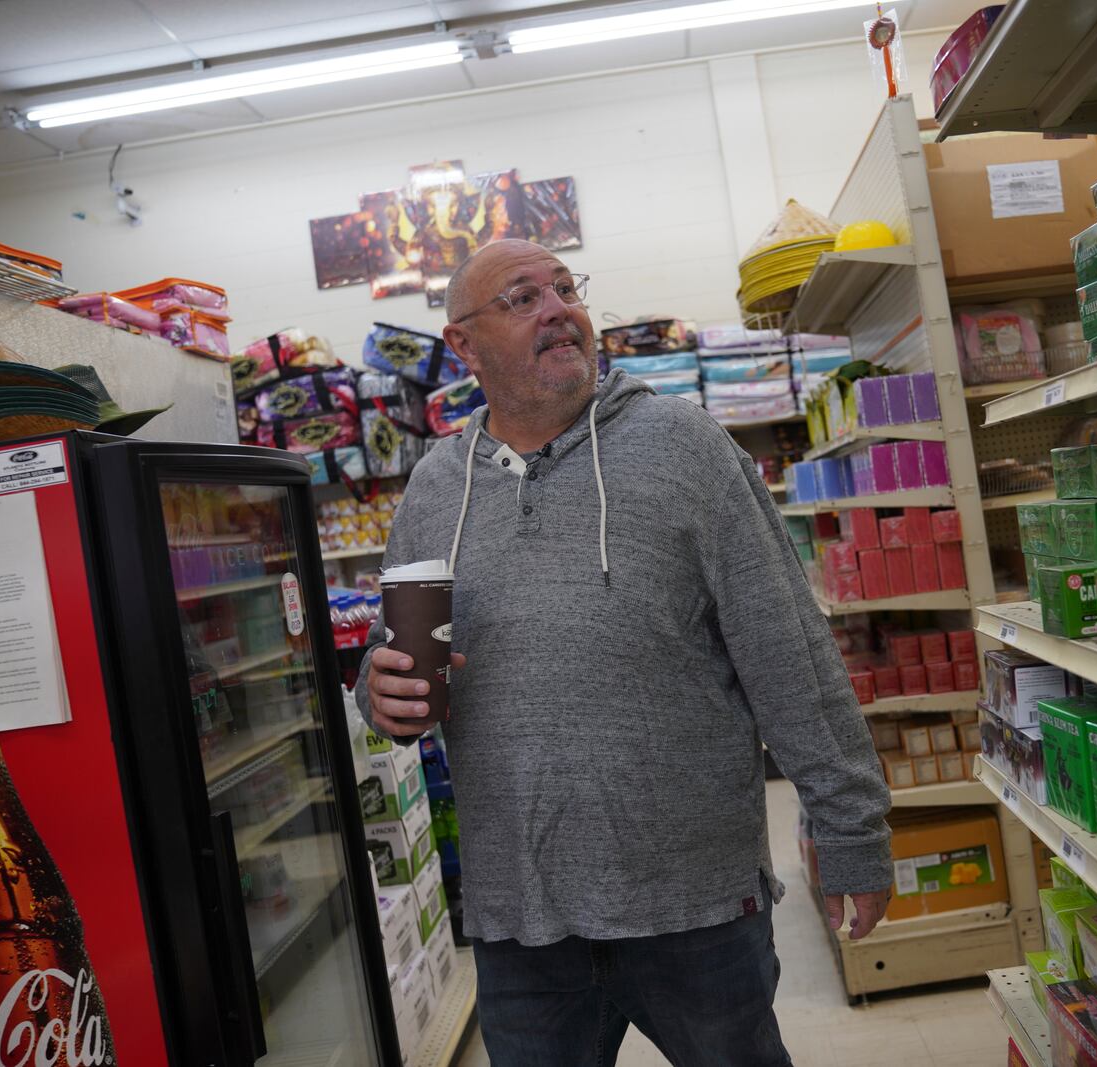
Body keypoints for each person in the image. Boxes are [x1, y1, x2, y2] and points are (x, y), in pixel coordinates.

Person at [355, 239, 892, 1066]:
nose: (558, 309)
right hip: (521, 921)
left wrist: (851, 827)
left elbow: (791, 654)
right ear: (462, 345)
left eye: (566, 289)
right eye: (523, 297)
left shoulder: (685, 449)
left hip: (697, 908)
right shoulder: (435, 486)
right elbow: (395, 663)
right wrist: (378, 694)